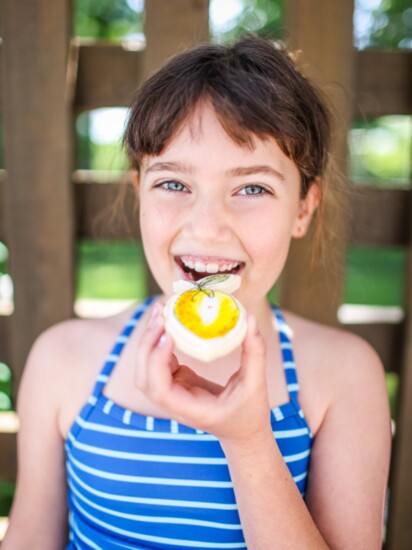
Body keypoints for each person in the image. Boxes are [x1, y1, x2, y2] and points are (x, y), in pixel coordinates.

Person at [3, 35, 391, 549]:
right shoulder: (63, 360)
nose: (207, 228)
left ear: (303, 207)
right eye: (174, 184)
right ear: (139, 189)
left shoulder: (343, 377)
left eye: (252, 188)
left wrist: (248, 441)